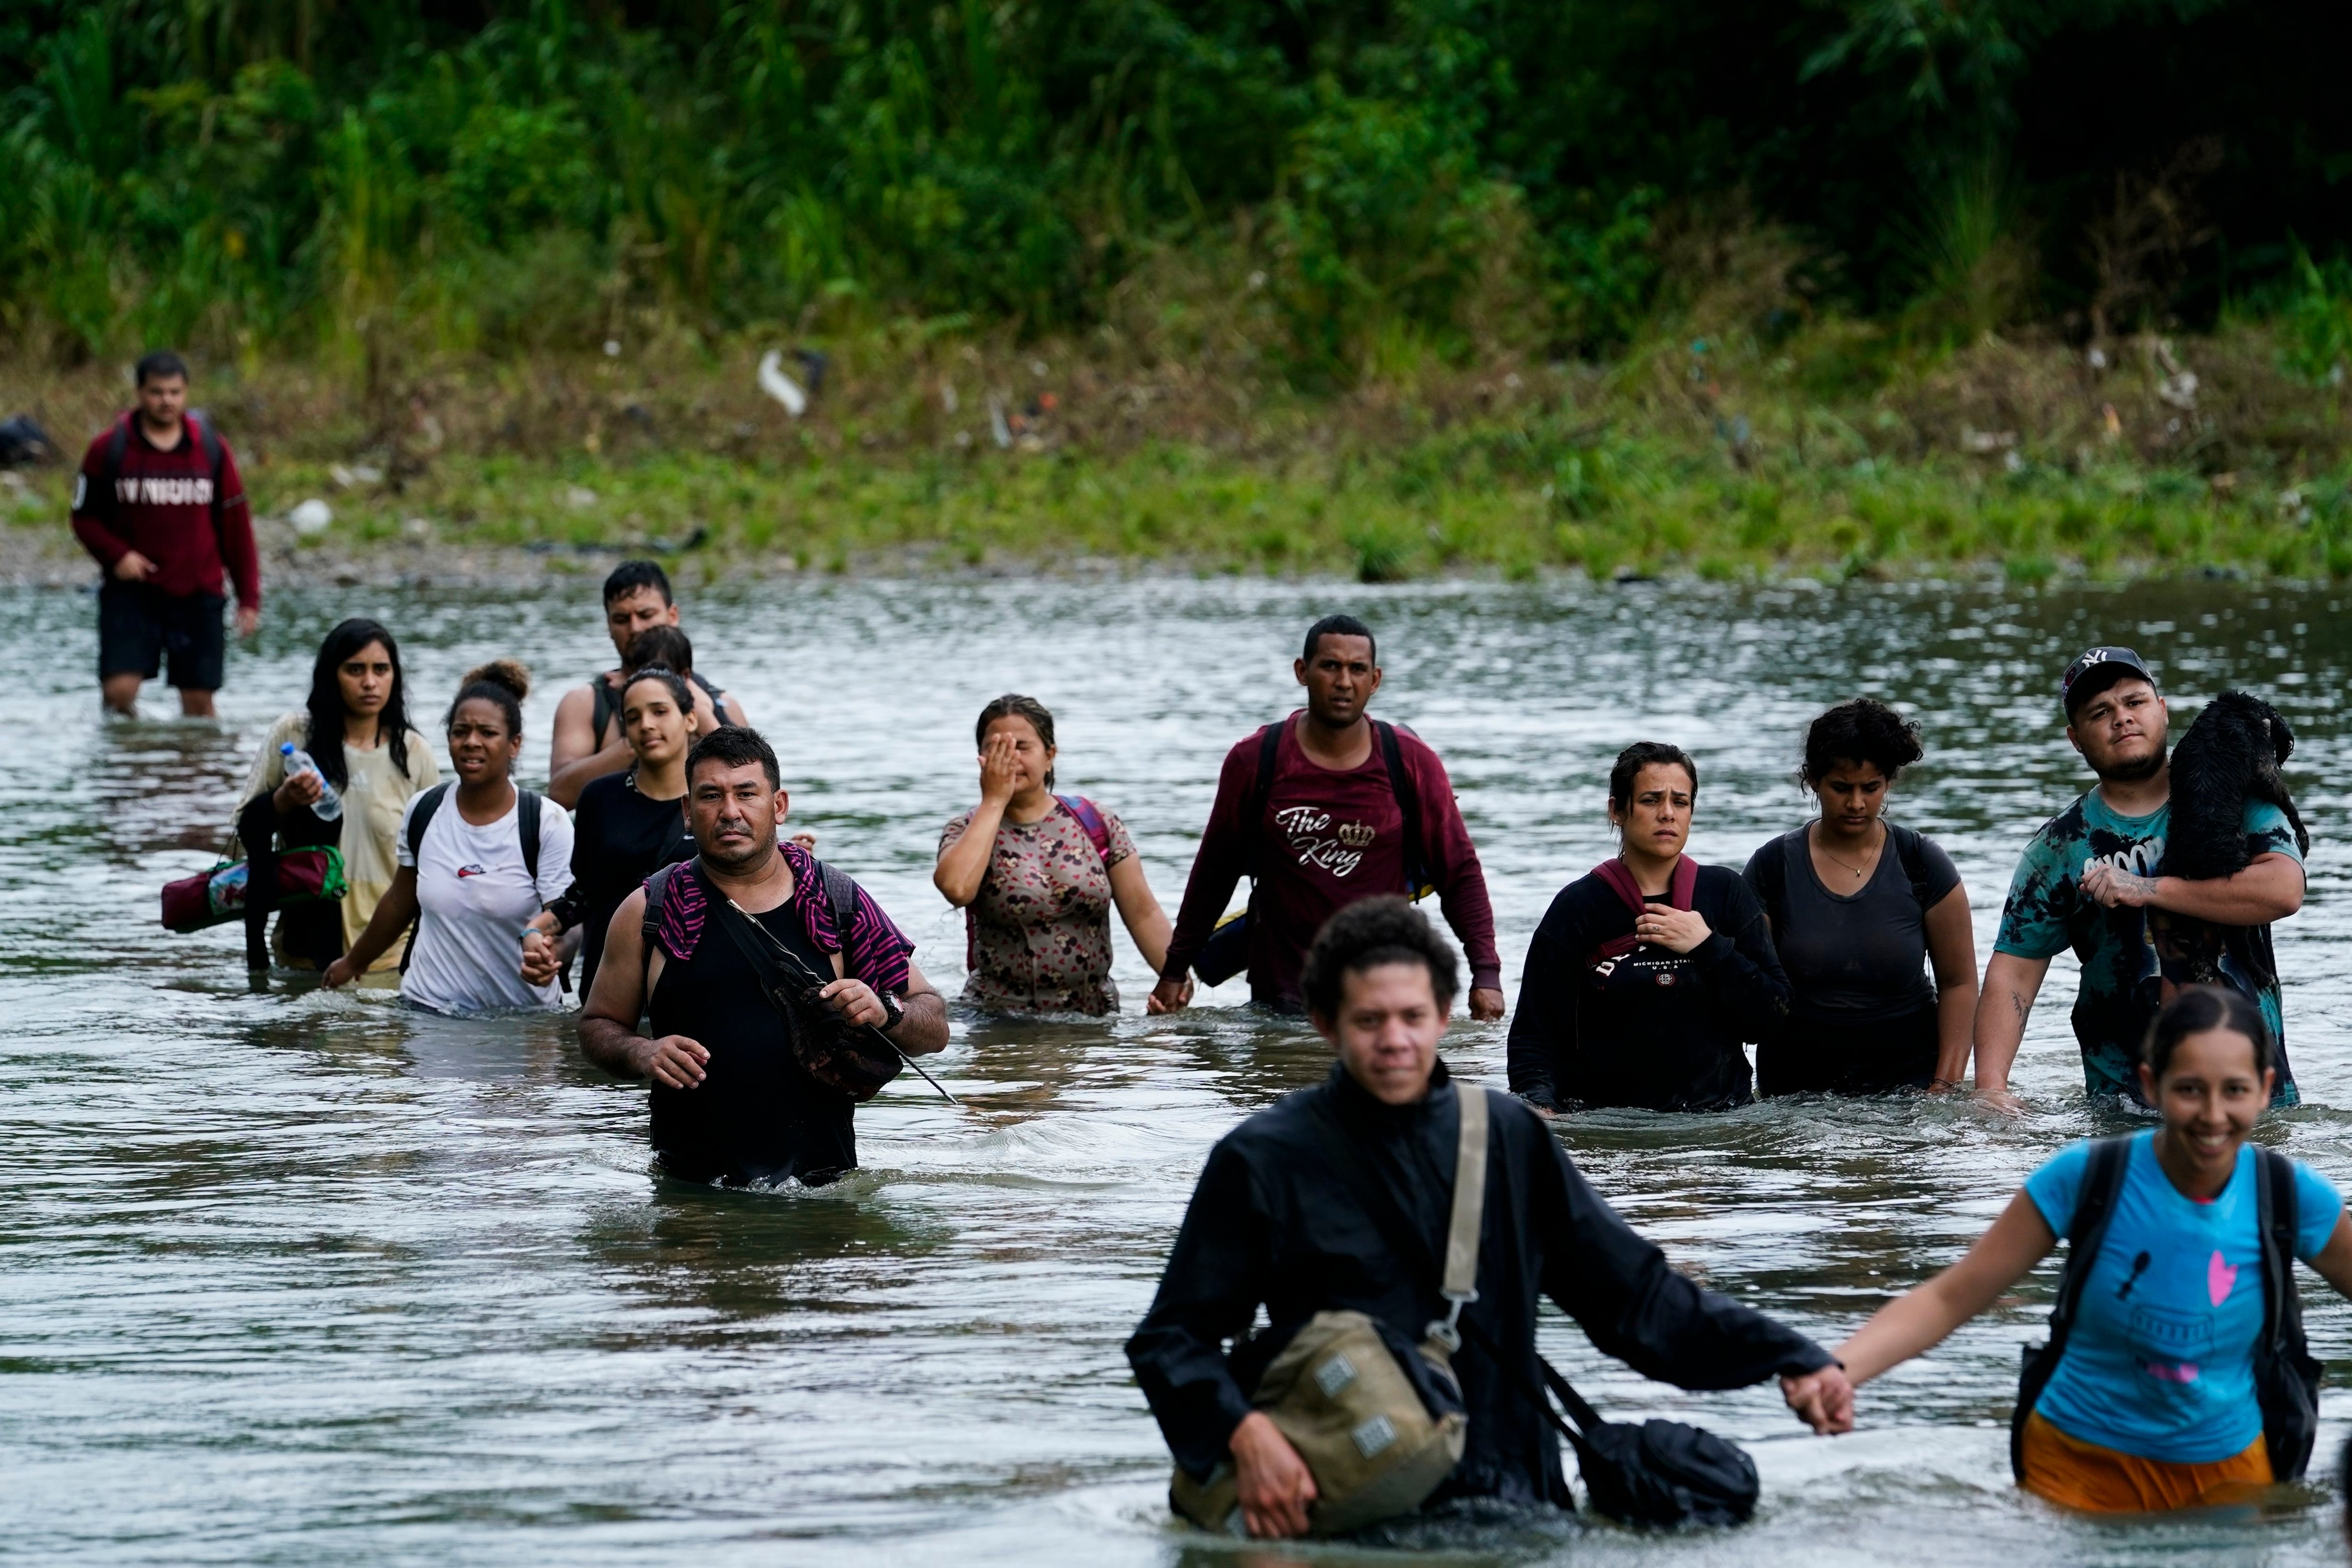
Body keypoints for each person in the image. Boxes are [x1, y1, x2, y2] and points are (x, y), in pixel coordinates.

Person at [1126, 898, 1847, 1537]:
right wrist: (1245, 1434)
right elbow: (1172, 1341)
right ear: (1324, 1023)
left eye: (1413, 1017)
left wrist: (1789, 1354)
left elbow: (1636, 1301)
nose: (1395, 1040)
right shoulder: (1262, 1158)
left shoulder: (1508, 1137)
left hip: (1516, 1506)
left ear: (1444, 1015)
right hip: (1351, 1514)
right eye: (1368, 1020)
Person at [1825, 986, 2352, 1512]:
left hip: (2229, 1483)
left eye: (2233, 1091)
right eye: (2189, 1090)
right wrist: (1836, 1371)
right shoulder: (2088, 1177)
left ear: (2264, 1090)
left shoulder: (2287, 1196)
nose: (2212, 1115)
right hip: (2072, 1474)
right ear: (2151, 1084)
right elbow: (1949, 1298)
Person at [575, 726, 949, 1187]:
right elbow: (597, 1026)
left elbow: (933, 1025)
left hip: (822, 1193)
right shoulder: (649, 911)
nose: (729, 812)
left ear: (778, 806)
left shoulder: (835, 902)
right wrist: (642, 1051)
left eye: (746, 794)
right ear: (688, 812)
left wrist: (884, 1011)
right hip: (691, 1199)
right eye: (711, 796)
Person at [1974, 647, 2307, 1110]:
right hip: (2122, 1110)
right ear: (2075, 738)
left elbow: (2283, 891)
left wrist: (2145, 889)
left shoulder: (2233, 797)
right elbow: (2013, 970)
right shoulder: (2057, 847)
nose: (2121, 719)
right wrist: (1990, 1088)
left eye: (2134, 703)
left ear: (2161, 709)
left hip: (2253, 1101)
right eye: (2100, 712)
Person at [1149, 615, 1504, 1019]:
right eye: (1330, 666)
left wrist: (1487, 975)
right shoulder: (1255, 760)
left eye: (1357, 669)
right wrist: (1174, 969)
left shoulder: (1410, 762)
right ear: (1302, 672)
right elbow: (1214, 872)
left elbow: (1458, 872)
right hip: (1280, 998)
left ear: (1375, 680)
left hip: (1384, 995)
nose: (1344, 682)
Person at [1507, 742, 1788, 1113]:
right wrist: (1541, 1108)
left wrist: (1708, 946)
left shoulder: (1725, 893)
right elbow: (1534, 1035)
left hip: (1719, 1125)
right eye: (1651, 800)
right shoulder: (1578, 906)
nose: (1668, 814)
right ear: (1618, 810)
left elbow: (1773, 1018)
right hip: (1608, 1127)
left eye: (1681, 801)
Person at [1741, 699, 1976, 1095]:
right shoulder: (1771, 868)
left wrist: (1944, 1086)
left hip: (1908, 1085)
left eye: (1871, 788)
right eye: (1840, 788)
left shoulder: (1922, 863)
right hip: (1795, 1090)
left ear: (1888, 783)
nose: (1856, 803)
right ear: (1812, 780)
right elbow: (1748, 985)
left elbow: (1960, 984)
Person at [323, 662, 573, 1013]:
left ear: (515, 744)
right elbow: (400, 900)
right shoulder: (424, 810)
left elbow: (567, 920)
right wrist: (353, 962)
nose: (472, 742)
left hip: (519, 1016)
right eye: (461, 732)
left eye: (487, 732)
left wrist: (551, 958)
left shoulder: (546, 822)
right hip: (428, 1008)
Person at [934, 694, 1184, 1014]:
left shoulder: (1096, 822)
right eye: (996, 748)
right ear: (981, 759)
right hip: (1001, 1022)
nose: (1010, 759)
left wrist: (1175, 978)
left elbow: (1143, 913)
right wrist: (995, 800)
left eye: (1021, 747)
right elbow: (956, 890)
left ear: (1050, 755)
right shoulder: (966, 830)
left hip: (1096, 1018)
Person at [232, 619, 440, 970]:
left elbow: (435, 860)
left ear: (395, 677)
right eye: (355, 670)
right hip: (304, 952)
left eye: (381, 669)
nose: (370, 682)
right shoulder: (294, 735)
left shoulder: (414, 753)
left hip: (387, 955)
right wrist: (284, 799)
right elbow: (244, 832)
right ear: (332, 675)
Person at [71, 350, 259, 716]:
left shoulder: (211, 449)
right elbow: (83, 519)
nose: (166, 401)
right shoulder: (108, 449)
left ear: (186, 393)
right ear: (140, 393)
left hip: (198, 592)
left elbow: (237, 528)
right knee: (119, 695)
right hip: (132, 593)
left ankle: (188, 768)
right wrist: (117, 555)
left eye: (175, 392)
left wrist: (249, 597)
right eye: (157, 392)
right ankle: (132, 765)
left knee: (199, 704)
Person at [522, 664, 701, 997]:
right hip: (610, 987)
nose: (646, 724)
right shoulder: (599, 798)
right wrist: (533, 931)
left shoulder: (715, 798)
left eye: (659, 711)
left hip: (694, 991)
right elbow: (586, 894)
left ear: (690, 719)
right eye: (632, 717)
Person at [547, 562, 748, 808]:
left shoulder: (721, 703)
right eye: (621, 619)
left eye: (646, 615)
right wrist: (640, 738)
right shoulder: (585, 703)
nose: (635, 628)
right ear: (608, 626)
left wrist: (704, 717)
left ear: (672, 615)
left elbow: (754, 790)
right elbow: (560, 796)